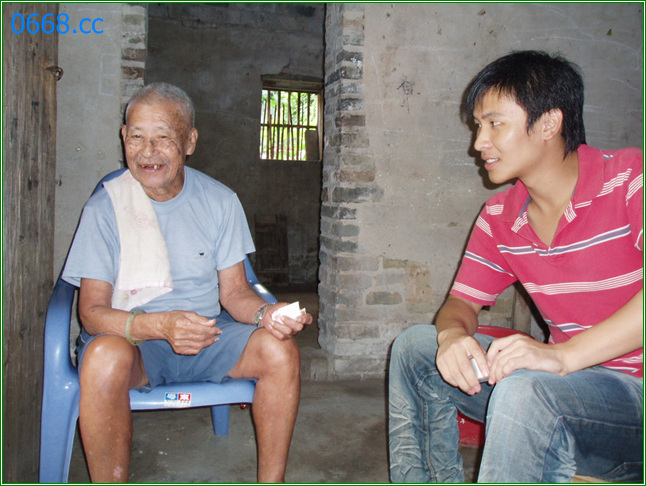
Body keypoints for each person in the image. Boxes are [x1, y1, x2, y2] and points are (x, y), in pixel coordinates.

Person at [388, 50, 643, 483]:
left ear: (548, 124)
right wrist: (452, 336)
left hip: (633, 402)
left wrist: (560, 357)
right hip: (565, 386)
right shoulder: (499, 216)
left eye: (495, 124)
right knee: (416, 348)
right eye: (478, 126)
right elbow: (460, 304)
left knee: (527, 392)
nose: (478, 142)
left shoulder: (631, 180)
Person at [62, 82, 314, 483]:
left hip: (208, 335)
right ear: (123, 137)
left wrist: (267, 314)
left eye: (163, 138)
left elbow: (235, 292)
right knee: (102, 359)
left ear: (189, 141)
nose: (147, 152)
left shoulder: (220, 201)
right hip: (135, 343)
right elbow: (91, 313)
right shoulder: (105, 209)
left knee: (280, 351)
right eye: (137, 137)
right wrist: (160, 326)